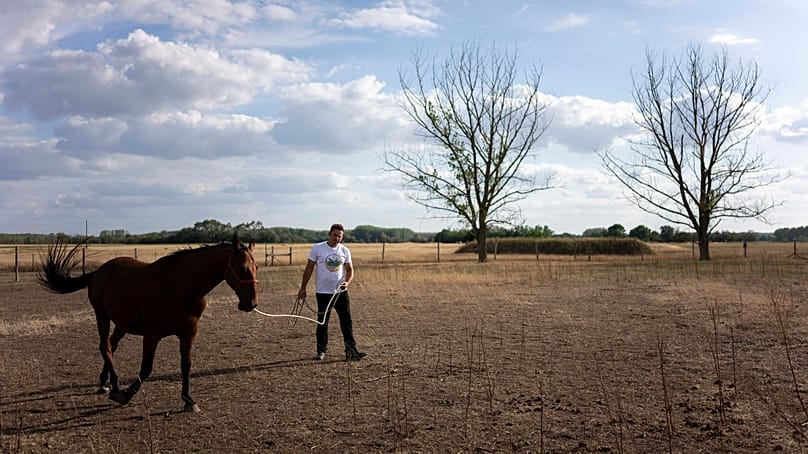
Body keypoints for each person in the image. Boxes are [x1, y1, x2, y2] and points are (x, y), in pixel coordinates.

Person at [298, 223, 367, 361]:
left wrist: (347, 282)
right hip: (323, 293)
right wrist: (303, 287)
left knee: (346, 321)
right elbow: (309, 268)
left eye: (339, 236)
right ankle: (321, 351)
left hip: (340, 292)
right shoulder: (318, 249)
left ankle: (351, 351)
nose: (336, 238)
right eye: (335, 235)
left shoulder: (345, 251)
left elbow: (350, 270)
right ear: (329, 234)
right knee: (323, 322)